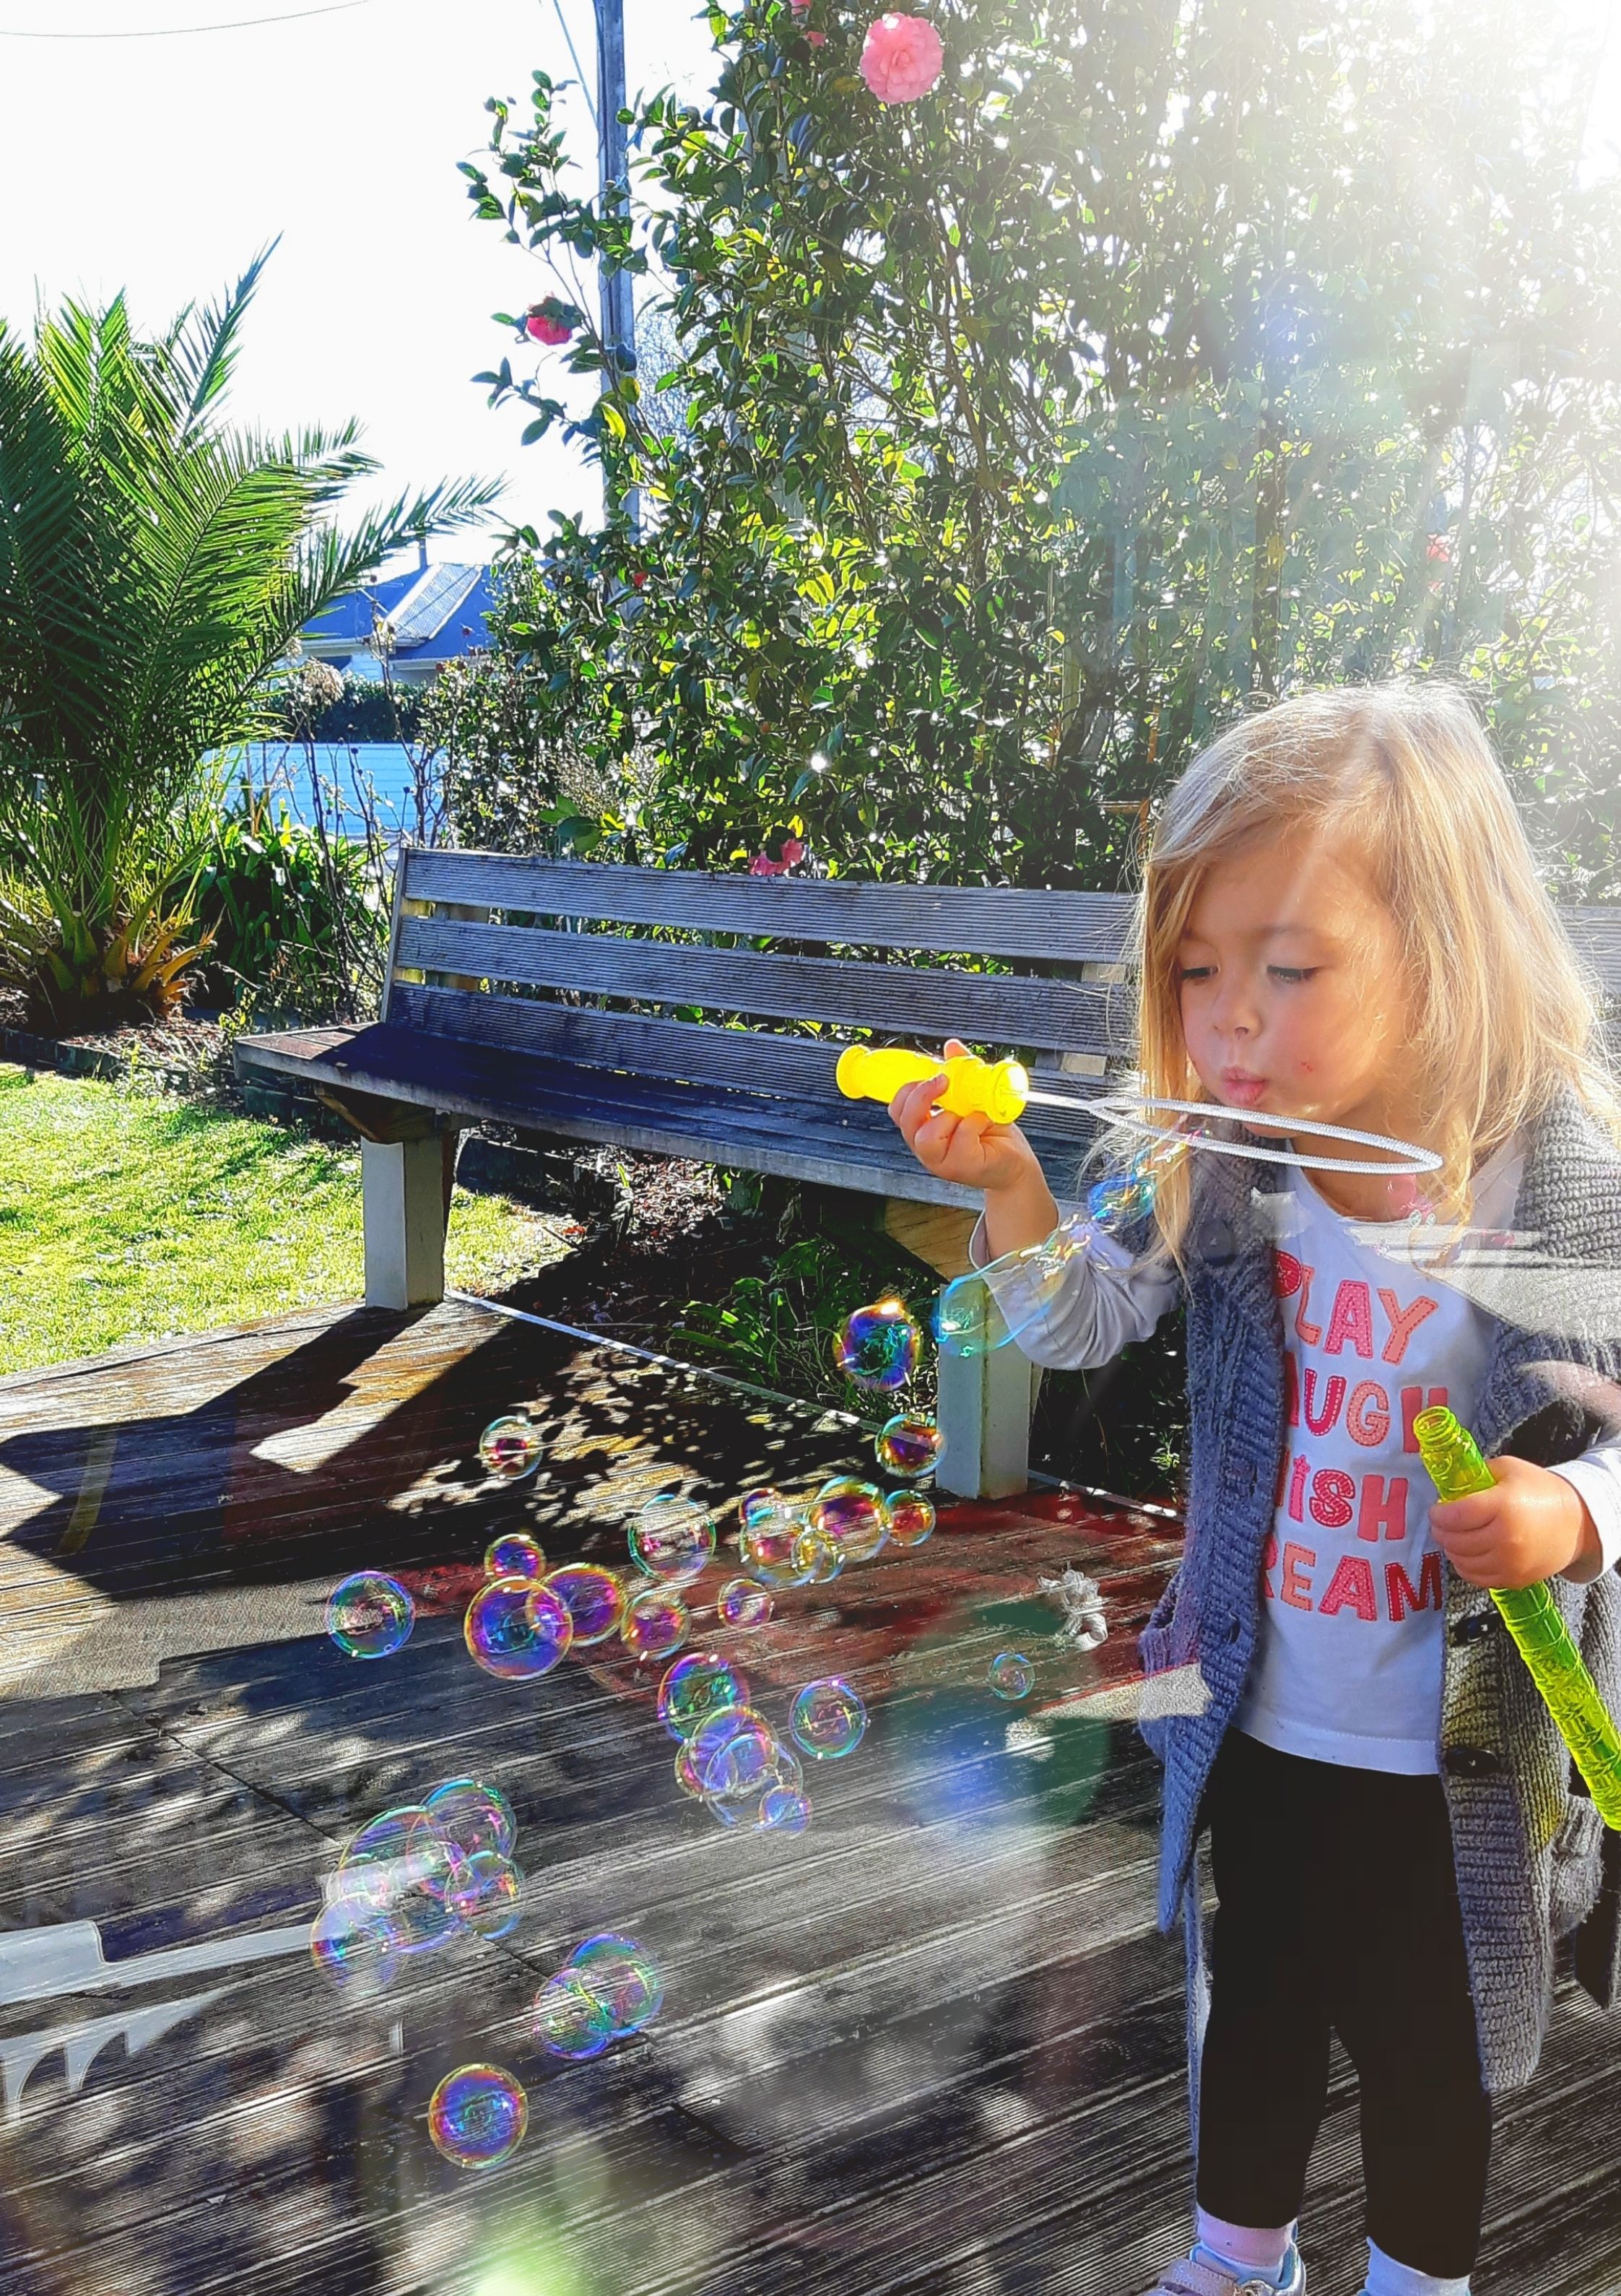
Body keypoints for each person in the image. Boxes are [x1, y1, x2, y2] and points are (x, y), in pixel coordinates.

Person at [891, 684, 1621, 2296]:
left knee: (1435, 2045)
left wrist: (1573, 1515)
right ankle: (1239, 2259)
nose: (1227, 1021)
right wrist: (1007, 1186)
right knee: (1257, 1999)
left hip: (1455, 1748)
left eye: (1286, 971)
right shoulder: (1232, 1166)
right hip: (1264, 1706)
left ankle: (1418, 2281)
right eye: (1195, 971)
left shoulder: (1569, 1193)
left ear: (1443, 949)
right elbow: (1075, 1320)